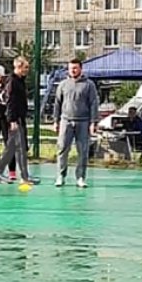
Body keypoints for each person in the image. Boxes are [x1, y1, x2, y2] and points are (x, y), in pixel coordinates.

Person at [53, 58, 100, 188]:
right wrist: (56, 121)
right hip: (65, 121)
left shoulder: (89, 85)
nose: (73, 70)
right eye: (70, 68)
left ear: (80, 69)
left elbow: (93, 103)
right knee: (62, 148)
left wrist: (93, 122)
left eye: (75, 68)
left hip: (83, 122)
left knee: (83, 151)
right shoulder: (63, 84)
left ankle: (80, 177)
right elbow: (57, 103)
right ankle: (61, 176)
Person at [0, 57, 40, 185]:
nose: (27, 70)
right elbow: (10, 101)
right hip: (15, 119)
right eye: (25, 67)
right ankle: (24, 177)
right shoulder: (12, 82)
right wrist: (12, 120)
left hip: (20, 117)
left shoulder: (20, 81)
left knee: (11, 147)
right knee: (21, 147)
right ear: (18, 67)